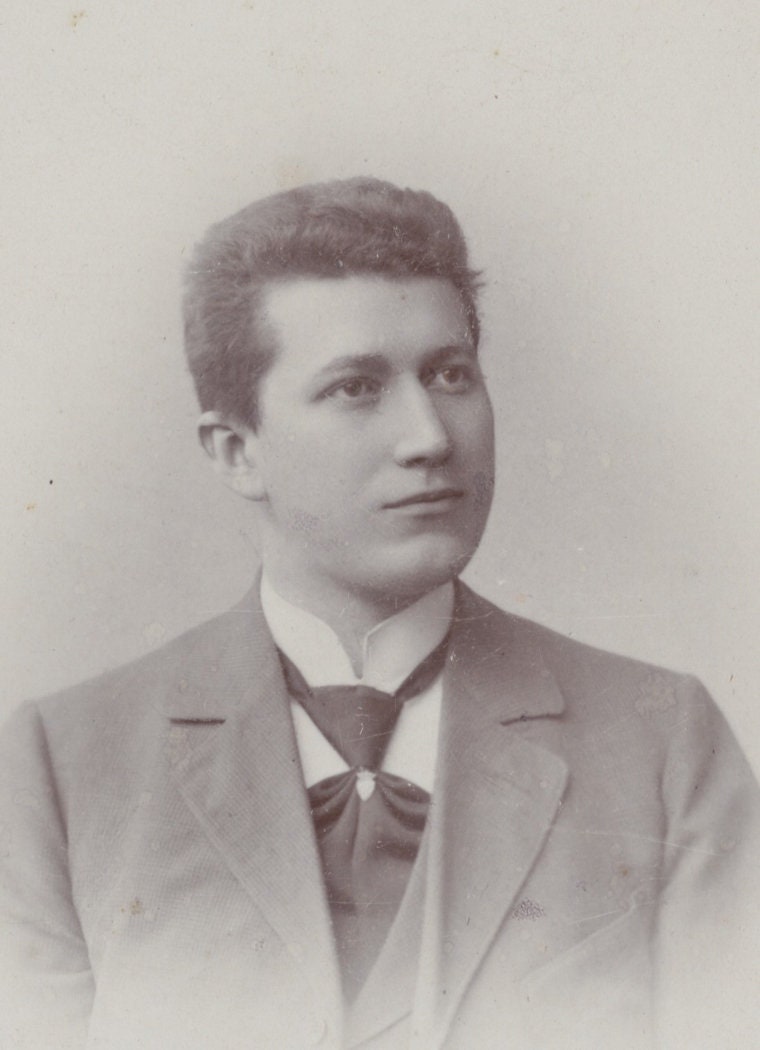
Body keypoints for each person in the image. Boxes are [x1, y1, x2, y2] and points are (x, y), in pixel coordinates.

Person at [1, 177, 758, 1050]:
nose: (431, 436)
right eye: (357, 388)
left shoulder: (662, 744)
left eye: (450, 375)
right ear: (237, 452)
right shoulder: (61, 769)